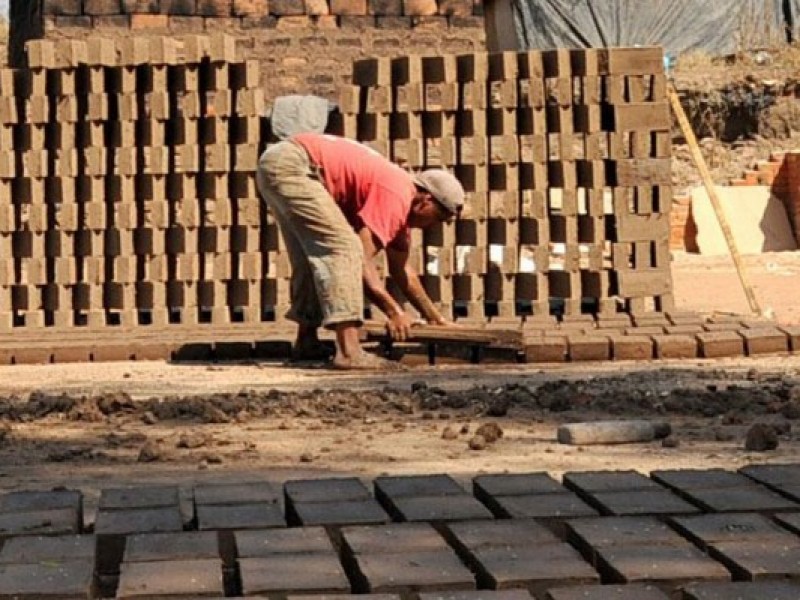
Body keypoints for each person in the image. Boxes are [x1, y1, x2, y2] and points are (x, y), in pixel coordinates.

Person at [256, 132, 464, 370]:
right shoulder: (397, 194)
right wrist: (393, 311)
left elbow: (401, 270)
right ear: (425, 201)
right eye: (438, 218)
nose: (434, 226)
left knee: (310, 257)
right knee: (345, 248)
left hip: (281, 162)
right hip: (296, 165)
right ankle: (349, 351)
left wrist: (436, 319)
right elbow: (361, 259)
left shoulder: (400, 203)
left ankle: (307, 342)